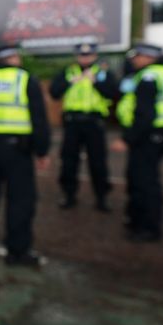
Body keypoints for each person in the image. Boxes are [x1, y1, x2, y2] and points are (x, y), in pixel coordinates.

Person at [0, 45, 51, 267]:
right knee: (21, 201)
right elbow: (39, 118)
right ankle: (17, 251)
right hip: (17, 151)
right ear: (13, 58)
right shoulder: (25, 80)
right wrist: (42, 150)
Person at [111, 44, 163, 243]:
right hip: (161, 133)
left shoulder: (149, 77)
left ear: (149, 57)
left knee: (145, 183)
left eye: (138, 56)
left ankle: (148, 228)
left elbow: (145, 114)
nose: (134, 60)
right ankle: (136, 219)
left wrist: (127, 139)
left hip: (148, 137)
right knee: (140, 178)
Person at [49, 43, 117, 212]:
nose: (85, 58)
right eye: (81, 55)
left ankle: (102, 197)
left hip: (94, 122)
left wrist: (95, 82)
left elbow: (113, 93)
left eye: (88, 55)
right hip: (72, 122)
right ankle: (68, 194)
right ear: (76, 56)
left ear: (94, 56)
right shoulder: (68, 72)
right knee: (69, 160)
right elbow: (54, 92)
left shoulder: (102, 72)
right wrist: (69, 82)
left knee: (98, 162)